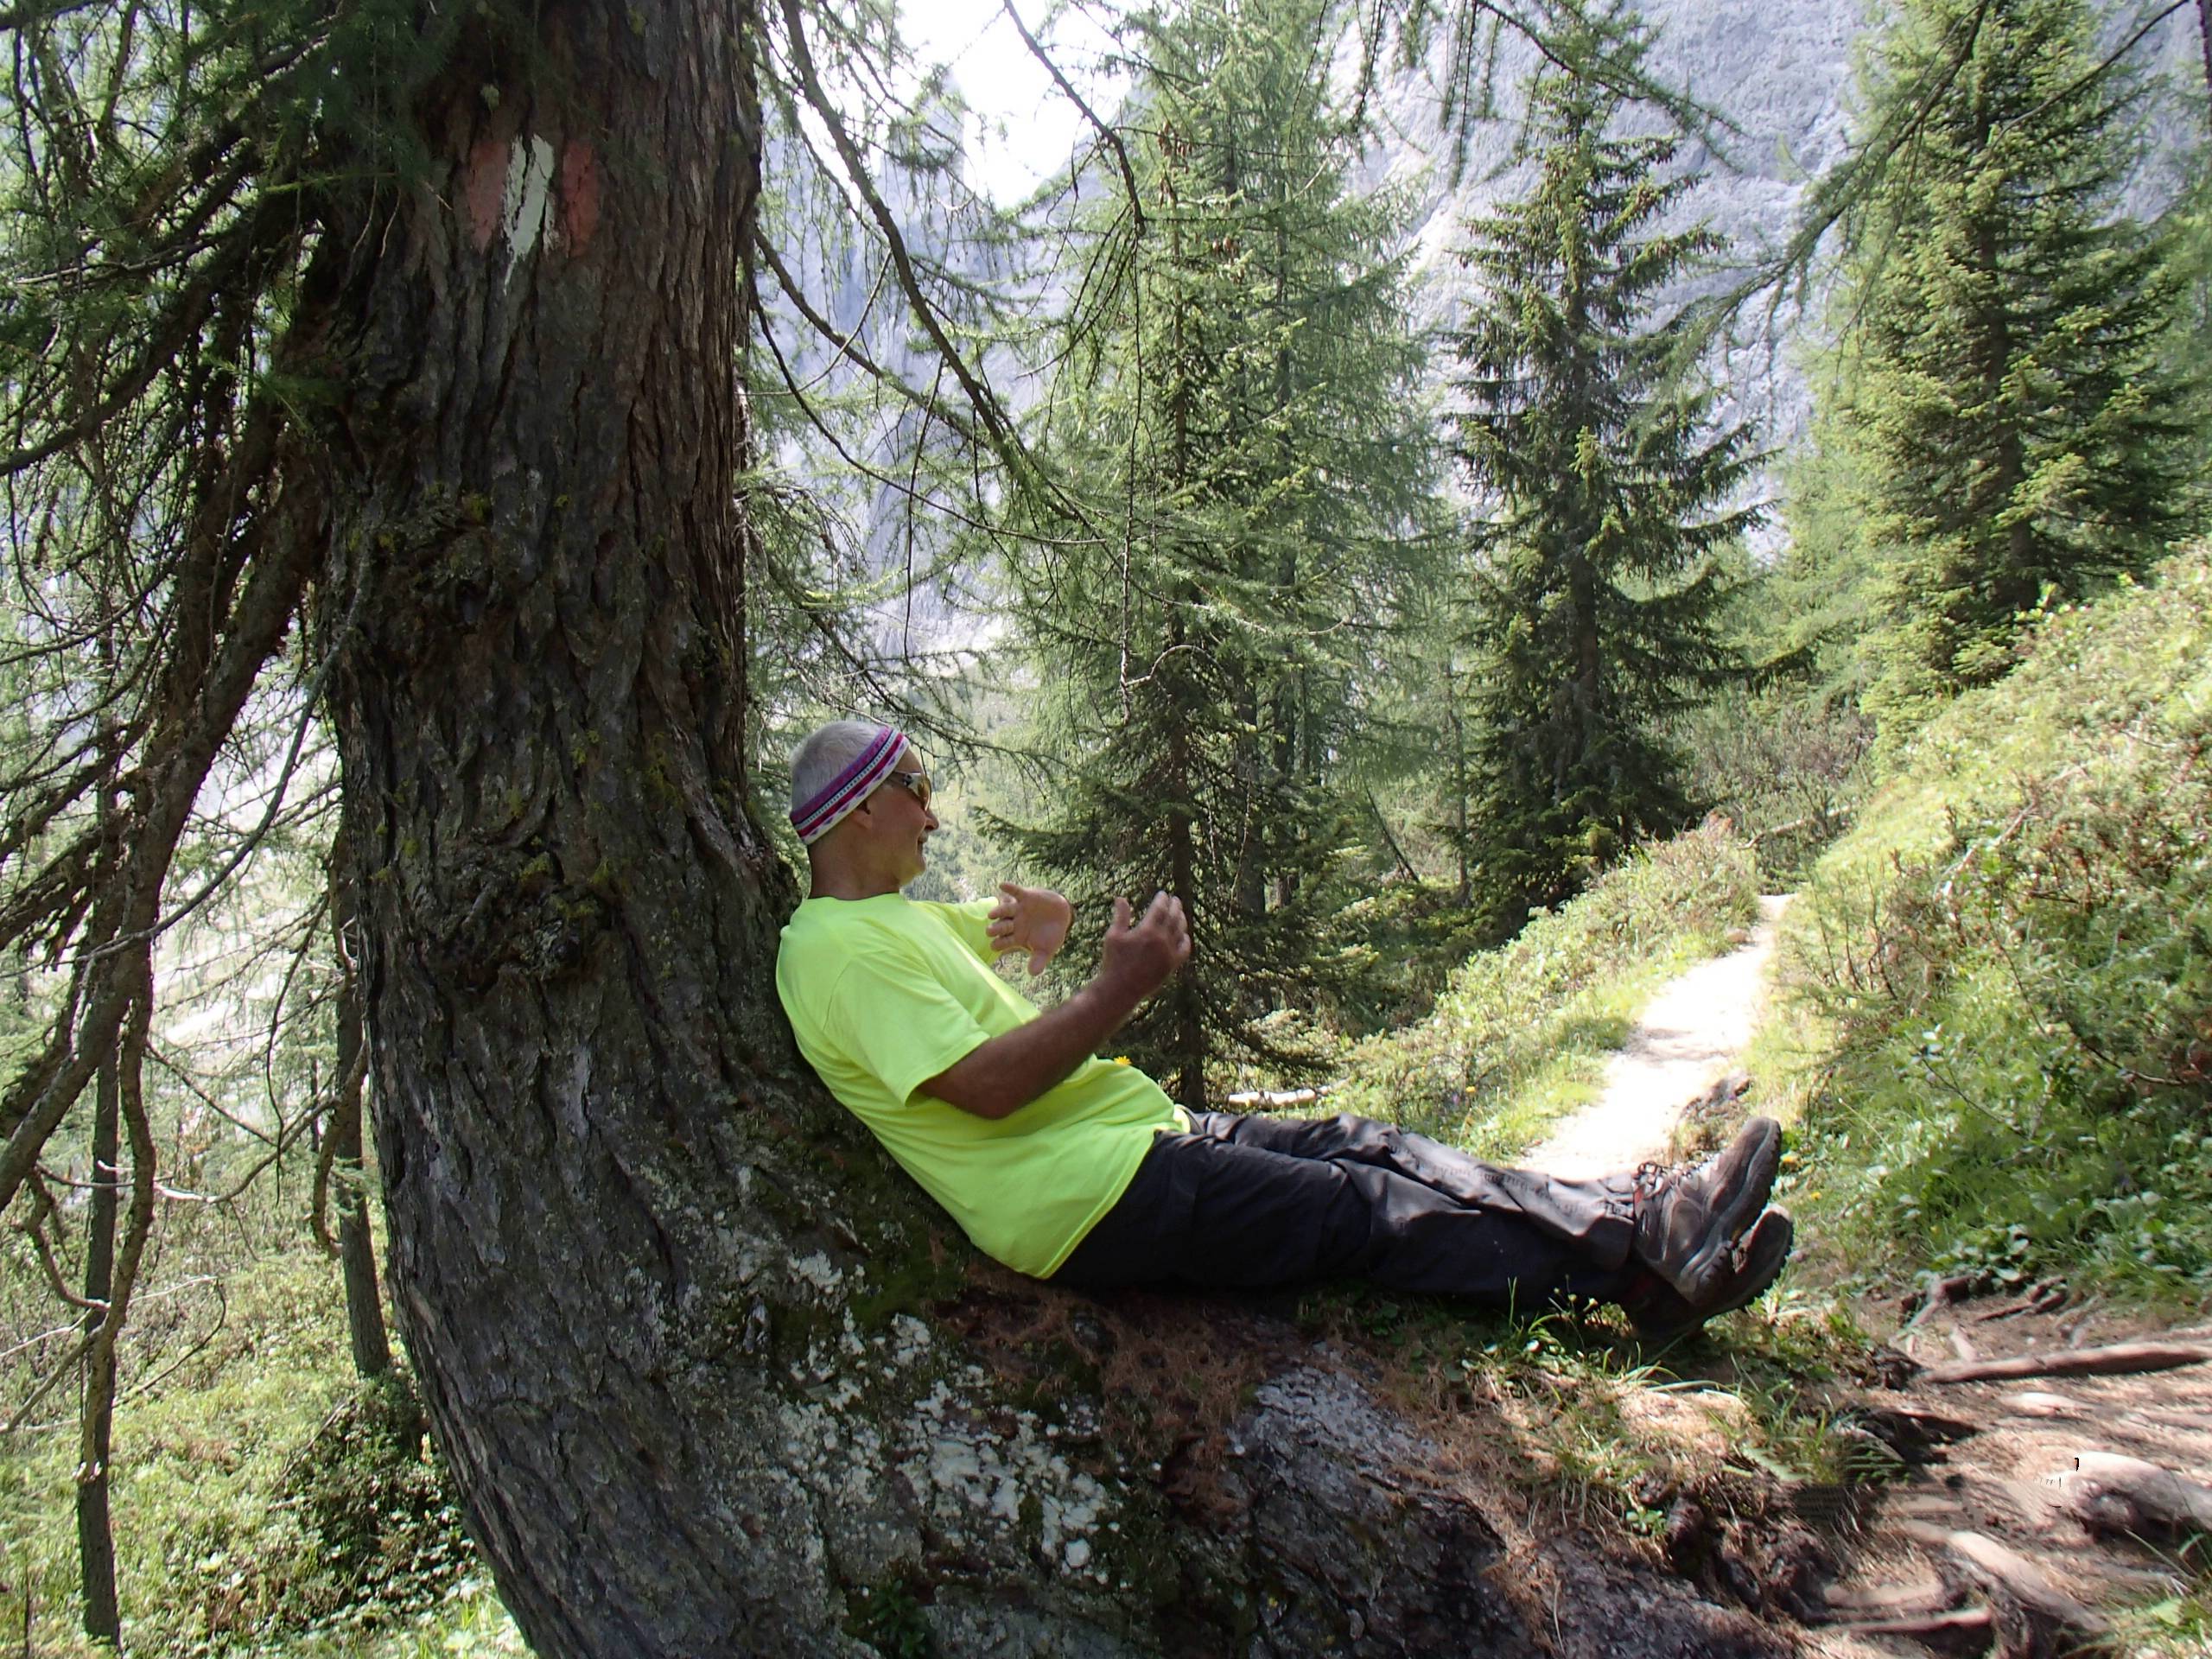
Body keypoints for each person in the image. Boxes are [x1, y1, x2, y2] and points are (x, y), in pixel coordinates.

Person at [773, 720, 1792, 1340]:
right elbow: (987, 1086)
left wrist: (1051, 925)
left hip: (1137, 1139)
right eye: (918, 793)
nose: (934, 819)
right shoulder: (836, 955)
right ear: (864, 807)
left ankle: (1635, 1225)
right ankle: (1636, 1267)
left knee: (1364, 1141)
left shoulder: (889, 923)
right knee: (1348, 1209)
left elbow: (1005, 930)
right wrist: (1113, 991)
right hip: (1081, 1199)